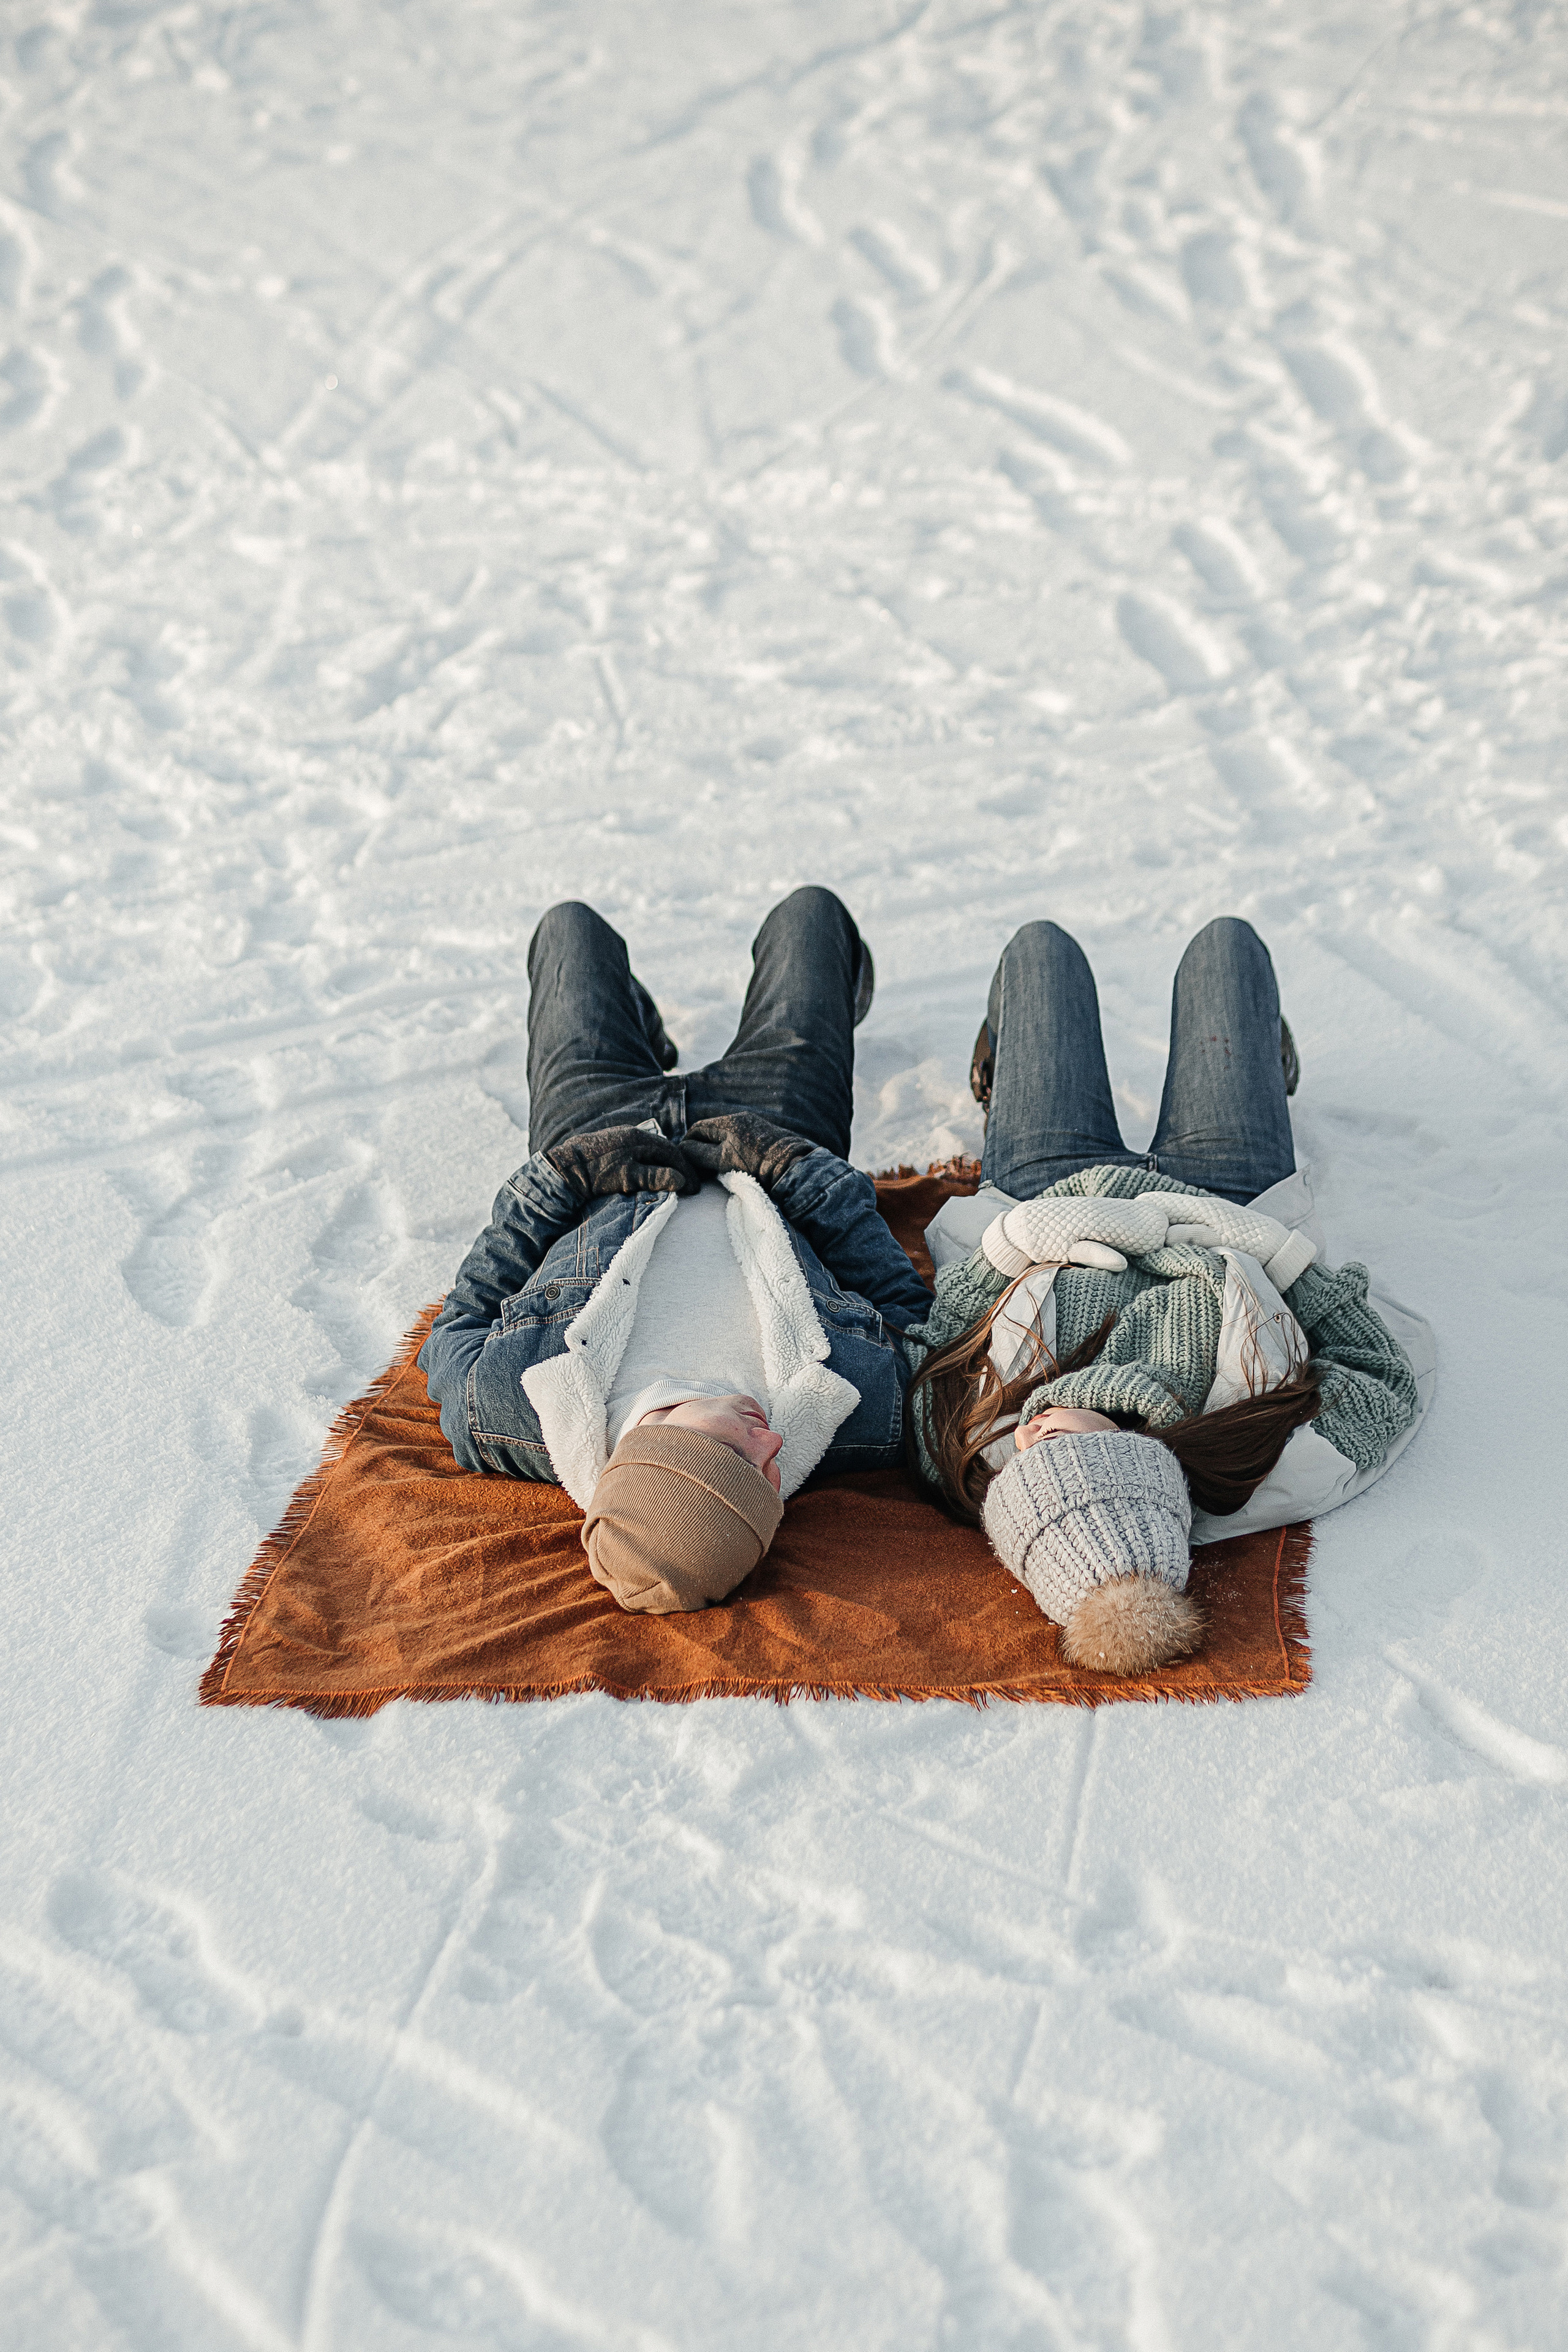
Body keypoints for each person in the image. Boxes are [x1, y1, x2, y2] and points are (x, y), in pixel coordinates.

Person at [902, 917, 1420, 1674]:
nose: (1029, 1437)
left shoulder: (963, 1447)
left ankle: (1003, 1064)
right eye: (1062, 1449)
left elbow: (936, 1339)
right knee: (1228, 950)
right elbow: (1381, 1376)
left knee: (1041, 953)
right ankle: (1258, 1071)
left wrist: (1013, 1244)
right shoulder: (1264, 1448)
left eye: (1022, 1467)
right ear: (1139, 1460)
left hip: (1045, 1189)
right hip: (1232, 1195)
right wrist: (1275, 1254)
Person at [419, 889, 935, 1616]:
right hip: (769, 1127)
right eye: (769, 1487)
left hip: (601, 1133)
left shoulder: (510, 1406)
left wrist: (560, 1177)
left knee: (571, 931)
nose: (772, 1456)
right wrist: (796, 1169)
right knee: (810, 918)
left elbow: (461, 1317)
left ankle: (638, 1032)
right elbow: (912, 1315)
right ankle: (839, 985)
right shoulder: (856, 1409)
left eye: (736, 1460)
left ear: (660, 1450)